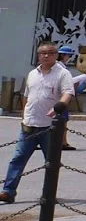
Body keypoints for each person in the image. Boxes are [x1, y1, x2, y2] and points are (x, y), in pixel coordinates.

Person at [1, 43, 77, 203]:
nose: (45, 55)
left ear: (56, 55)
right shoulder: (32, 74)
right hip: (29, 124)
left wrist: (59, 107)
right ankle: (8, 192)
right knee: (18, 158)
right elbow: (27, 97)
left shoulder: (63, 74)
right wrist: (24, 115)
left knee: (51, 161)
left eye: (50, 53)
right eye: (42, 53)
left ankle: (48, 194)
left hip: (50, 127)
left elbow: (68, 93)